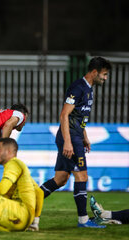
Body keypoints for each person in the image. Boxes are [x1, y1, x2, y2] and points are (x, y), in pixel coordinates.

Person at [40, 57, 111, 228]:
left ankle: (27, 201)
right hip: (70, 138)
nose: (106, 78)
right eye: (104, 74)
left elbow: (78, 117)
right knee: (82, 176)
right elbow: (64, 115)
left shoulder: (89, 89)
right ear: (95, 72)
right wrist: (68, 142)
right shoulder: (78, 87)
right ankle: (83, 220)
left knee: (60, 179)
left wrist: (84, 135)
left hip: (76, 136)